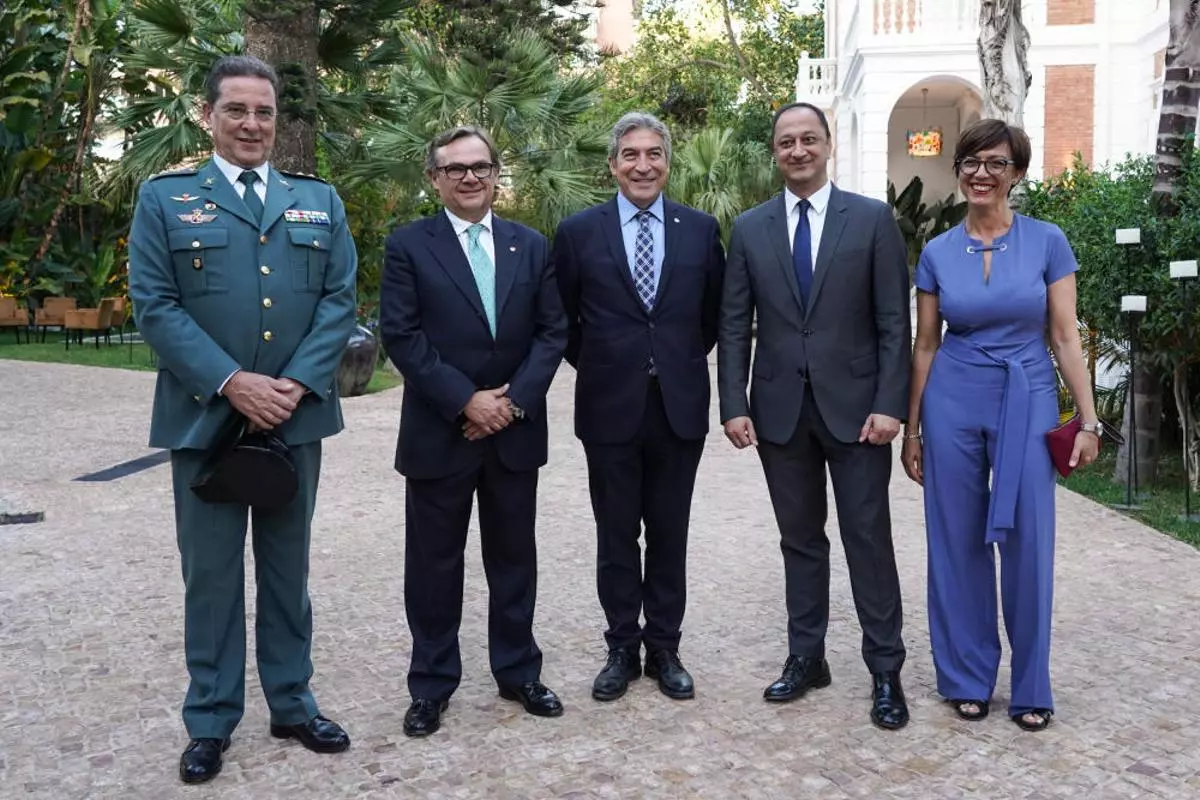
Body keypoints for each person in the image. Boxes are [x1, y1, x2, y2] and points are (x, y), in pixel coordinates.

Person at [128, 55, 356, 785]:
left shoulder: (317, 199)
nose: (252, 124)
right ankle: (210, 719)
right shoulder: (166, 199)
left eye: (264, 111)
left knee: (288, 570)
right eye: (237, 110)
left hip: (295, 415)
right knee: (212, 577)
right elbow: (154, 305)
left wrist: (292, 385)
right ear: (209, 116)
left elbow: (339, 300)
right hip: (205, 418)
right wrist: (232, 383)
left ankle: (292, 702)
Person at [717, 102, 912, 730]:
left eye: (808, 139)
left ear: (828, 145)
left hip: (859, 414)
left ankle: (885, 670)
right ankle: (807, 657)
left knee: (868, 539)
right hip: (779, 413)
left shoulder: (872, 219)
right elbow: (734, 324)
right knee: (799, 540)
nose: (797, 150)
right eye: (786, 142)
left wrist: (891, 404)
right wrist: (733, 404)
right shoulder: (750, 228)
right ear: (774, 152)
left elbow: (894, 322)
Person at [901, 118, 1099, 732]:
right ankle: (966, 677)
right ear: (958, 170)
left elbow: (1064, 337)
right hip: (952, 400)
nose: (981, 173)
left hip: (1027, 396)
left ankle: (1031, 685)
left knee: (1029, 540)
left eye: (996, 163)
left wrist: (1088, 419)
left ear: (1017, 173)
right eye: (971, 162)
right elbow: (926, 345)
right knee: (955, 539)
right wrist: (913, 431)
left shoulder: (1048, 241)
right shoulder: (936, 252)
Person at [380, 126, 568, 738]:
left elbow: (552, 332)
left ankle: (518, 671)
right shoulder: (409, 245)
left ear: (495, 174)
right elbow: (402, 334)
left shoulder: (530, 245)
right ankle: (431, 685)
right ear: (434, 178)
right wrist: (465, 400)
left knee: (514, 560)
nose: (469, 177)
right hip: (441, 433)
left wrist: (511, 403)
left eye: (480, 167)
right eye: (455, 168)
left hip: (513, 432)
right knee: (434, 566)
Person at [552, 112, 725, 702]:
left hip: (678, 406)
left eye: (654, 154)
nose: (643, 165)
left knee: (670, 533)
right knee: (616, 533)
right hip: (608, 406)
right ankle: (622, 647)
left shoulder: (700, 230)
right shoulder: (578, 233)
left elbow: (711, 318)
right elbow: (563, 321)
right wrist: (610, 364)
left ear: (667, 162)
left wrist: (668, 361)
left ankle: (665, 647)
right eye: (630, 154)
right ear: (613, 164)